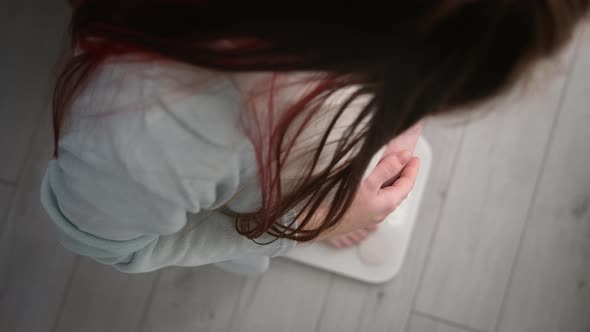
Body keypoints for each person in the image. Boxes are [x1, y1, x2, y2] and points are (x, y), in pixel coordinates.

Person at [42, 1, 589, 275]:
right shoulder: (152, 138)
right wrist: (298, 228)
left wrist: (406, 102)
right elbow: (110, 244)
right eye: (417, 92)